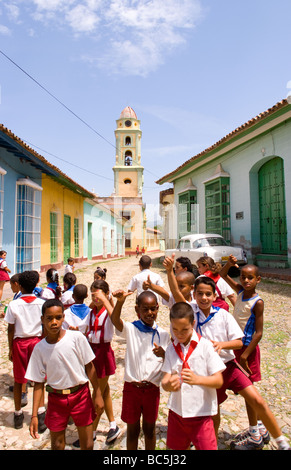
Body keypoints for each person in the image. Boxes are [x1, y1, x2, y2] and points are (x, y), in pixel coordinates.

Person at [192, 275, 290, 450]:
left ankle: (282, 443)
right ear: (194, 294)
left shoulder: (223, 315)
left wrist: (222, 344)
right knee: (213, 412)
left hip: (229, 367)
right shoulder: (190, 313)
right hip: (208, 372)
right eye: (200, 294)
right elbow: (176, 297)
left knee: (257, 400)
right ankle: (211, 444)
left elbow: (239, 341)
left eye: (208, 294)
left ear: (215, 296)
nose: (204, 298)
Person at [25, 299, 104, 450]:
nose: (54, 322)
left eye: (58, 317)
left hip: (81, 395)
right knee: (57, 444)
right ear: (42, 319)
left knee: (87, 444)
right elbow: (38, 383)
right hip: (56, 399)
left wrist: (98, 393)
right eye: (49, 318)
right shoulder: (39, 349)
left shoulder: (76, 338)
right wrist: (34, 414)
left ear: (63, 317)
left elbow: (90, 367)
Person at [111, 289, 170, 450]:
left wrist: (164, 354)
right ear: (137, 310)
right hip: (132, 388)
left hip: (152, 390)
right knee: (132, 431)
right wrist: (120, 302)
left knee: (150, 430)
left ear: (158, 308)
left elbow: (170, 362)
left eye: (153, 309)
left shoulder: (163, 334)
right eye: (145, 309)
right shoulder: (131, 329)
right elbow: (116, 321)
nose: (149, 313)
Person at [161, 301, 225, 450]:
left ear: (193, 323)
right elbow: (164, 379)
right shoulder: (171, 349)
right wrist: (167, 384)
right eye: (175, 329)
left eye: (184, 329)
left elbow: (218, 380)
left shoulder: (206, 347)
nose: (179, 334)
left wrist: (198, 379)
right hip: (177, 414)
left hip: (201, 415)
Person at [4, 270, 46, 430]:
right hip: (37, 342)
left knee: (18, 379)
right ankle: (40, 413)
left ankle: (18, 413)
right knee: (39, 379)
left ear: (19, 286)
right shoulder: (42, 304)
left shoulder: (14, 305)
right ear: (36, 285)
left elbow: (10, 328)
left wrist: (10, 349)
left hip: (20, 342)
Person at [82, 279, 120, 447]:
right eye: (93, 295)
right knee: (103, 391)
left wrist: (108, 300)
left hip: (103, 353)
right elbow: (83, 328)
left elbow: (116, 321)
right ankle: (113, 424)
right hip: (92, 353)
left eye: (99, 295)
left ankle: (92, 432)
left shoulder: (109, 313)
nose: (95, 298)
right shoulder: (91, 313)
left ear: (106, 295)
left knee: (96, 392)